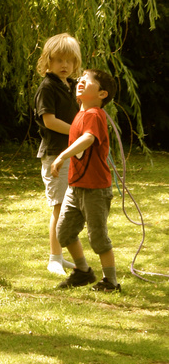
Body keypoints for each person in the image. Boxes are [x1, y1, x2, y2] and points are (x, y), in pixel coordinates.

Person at [51, 68, 120, 292]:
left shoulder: (94, 115)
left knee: (98, 237)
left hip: (95, 189)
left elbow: (89, 139)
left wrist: (63, 155)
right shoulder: (80, 114)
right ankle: (83, 272)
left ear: (102, 94)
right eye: (80, 78)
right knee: (64, 232)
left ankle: (111, 281)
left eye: (88, 80)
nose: (80, 81)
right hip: (76, 188)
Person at [33, 33, 82, 275]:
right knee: (59, 206)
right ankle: (54, 257)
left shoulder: (72, 86)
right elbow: (49, 120)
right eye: (59, 60)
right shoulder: (48, 87)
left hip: (73, 153)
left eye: (69, 61)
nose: (64, 65)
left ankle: (62, 256)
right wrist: (78, 132)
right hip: (55, 155)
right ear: (47, 61)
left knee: (71, 206)